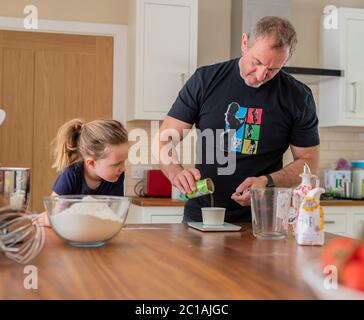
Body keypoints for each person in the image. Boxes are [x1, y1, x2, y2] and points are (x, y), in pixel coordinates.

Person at [153, 16, 320, 223]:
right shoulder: (205, 80)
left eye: (273, 69)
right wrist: (175, 171)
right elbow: (163, 138)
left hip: (264, 221)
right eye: (256, 62)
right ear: (244, 43)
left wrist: (266, 182)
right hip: (203, 216)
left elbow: (309, 161)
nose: (260, 75)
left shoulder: (297, 96)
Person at [38, 118, 129, 226]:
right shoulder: (71, 176)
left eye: (124, 162)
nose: (124, 168)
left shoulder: (117, 176)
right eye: (116, 164)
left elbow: (113, 217)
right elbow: (55, 214)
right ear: (91, 163)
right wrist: (51, 219)